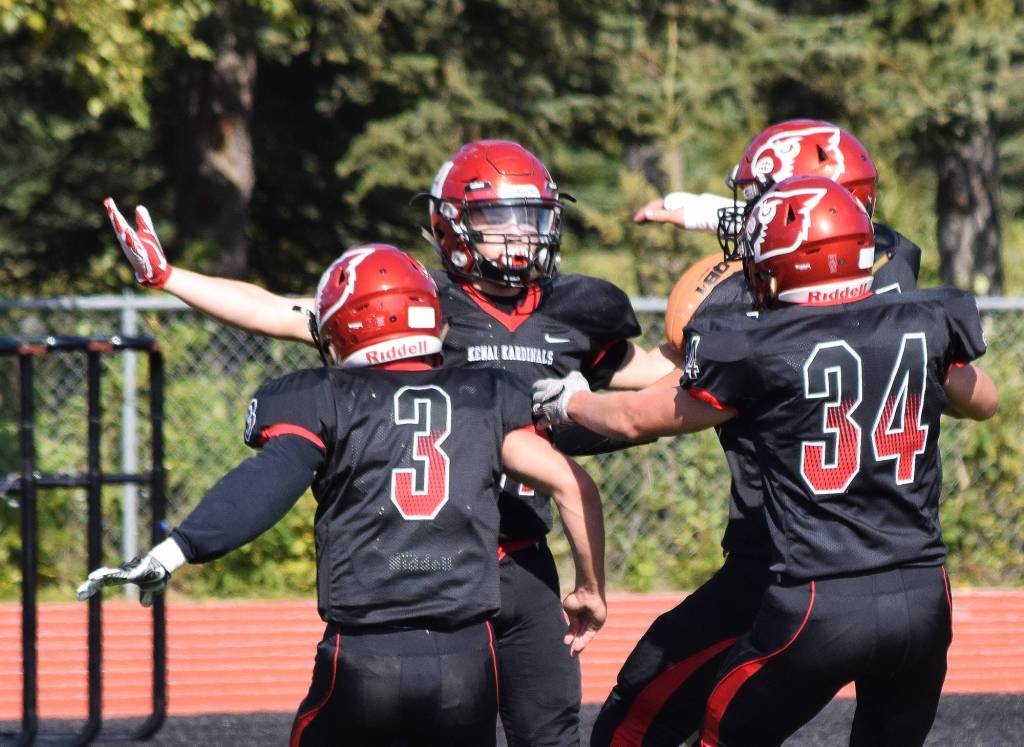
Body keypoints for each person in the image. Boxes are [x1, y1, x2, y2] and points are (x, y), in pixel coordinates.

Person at [104, 139, 677, 747]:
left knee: (550, 729)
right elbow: (280, 310)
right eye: (496, 221)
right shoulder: (416, 301)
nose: (516, 238)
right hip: (441, 561)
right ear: (451, 226)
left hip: (524, 554)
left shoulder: (578, 308)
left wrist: (741, 333)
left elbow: (660, 379)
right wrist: (168, 277)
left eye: (528, 219)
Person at [77, 244, 607, 747]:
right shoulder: (485, 395)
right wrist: (589, 588)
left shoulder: (321, 397)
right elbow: (571, 483)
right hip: (467, 658)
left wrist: (174, 551)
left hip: (364, 656)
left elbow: (266, 485)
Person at [534, 176, 998, 747]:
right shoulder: (925, 321)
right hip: (925, 594)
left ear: (781, 267)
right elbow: (984, 401)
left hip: (818, 600)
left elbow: (636, 418)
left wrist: (572, 401)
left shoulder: (759, 346)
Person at [590, 120, 927, 747]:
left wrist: (560, 415)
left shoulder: (741, 318)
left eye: (759, 207)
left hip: (780, 564)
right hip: (902, 568)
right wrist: (716, 213)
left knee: (636, 721)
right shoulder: (897, 270)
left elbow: (661, 395)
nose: (748, 221)